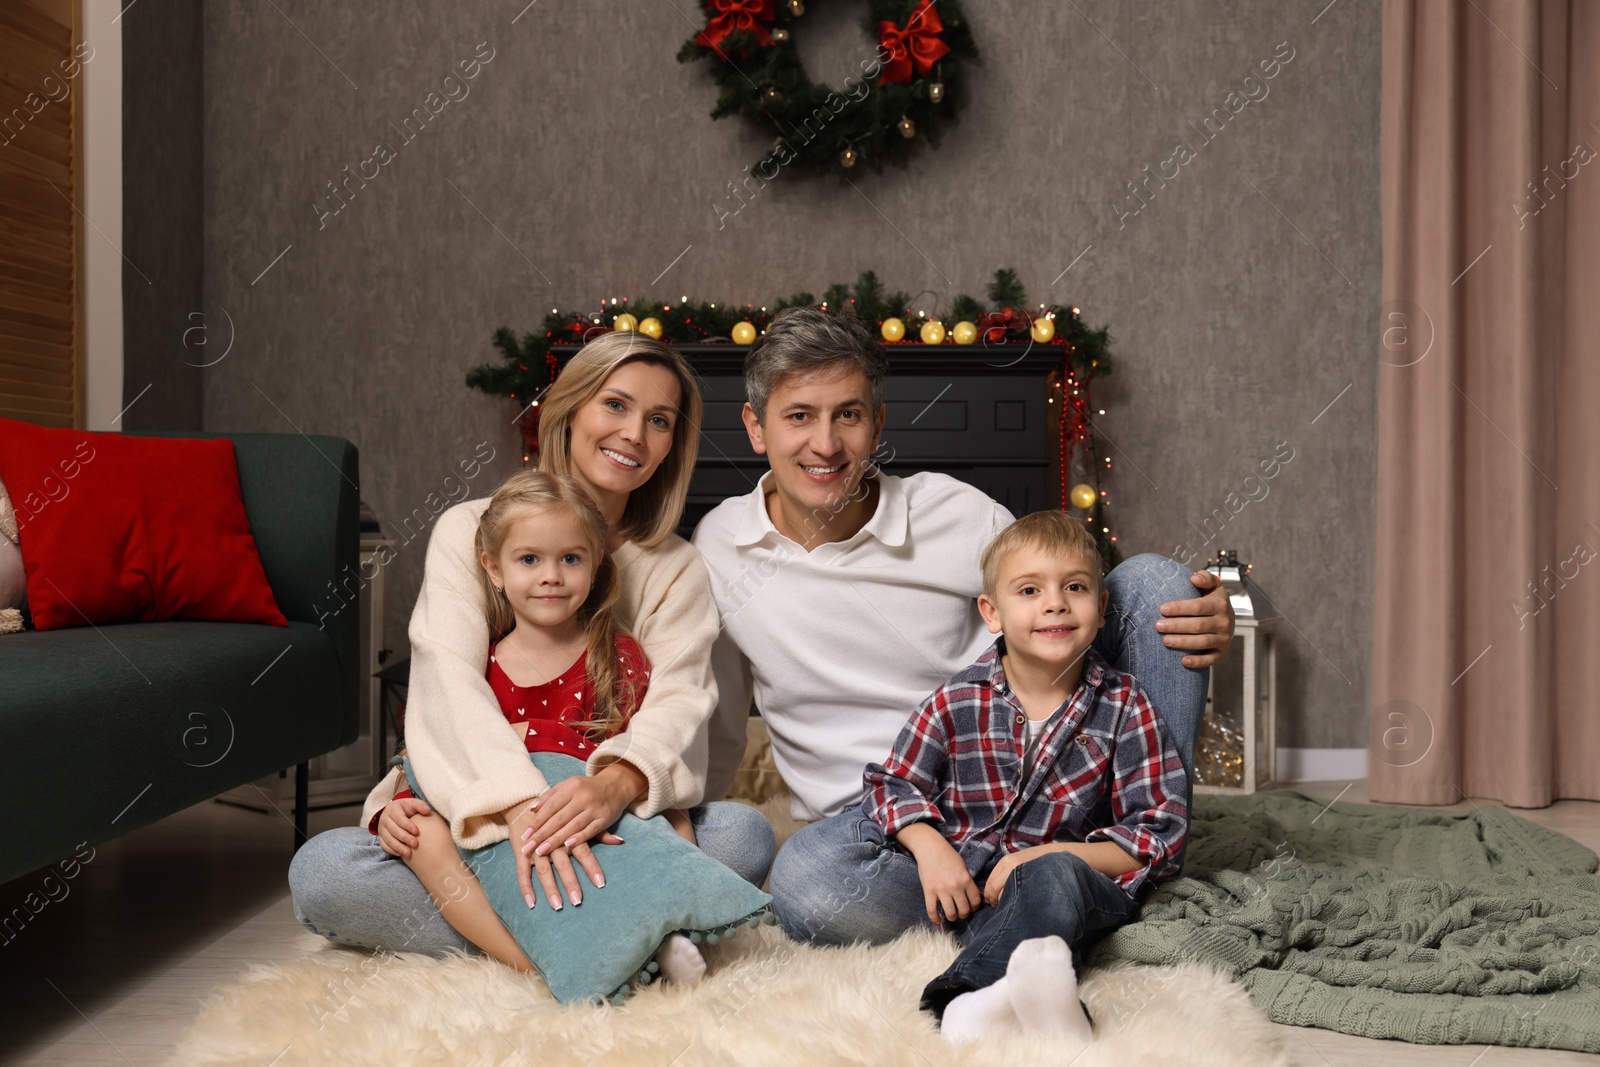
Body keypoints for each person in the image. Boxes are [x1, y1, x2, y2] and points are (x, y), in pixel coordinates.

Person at [688, 305, 1232, 944]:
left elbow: (1064, 595)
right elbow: (717, 715)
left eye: (849, 415)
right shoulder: (722, 545)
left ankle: (1134, 856)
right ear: (756, 427)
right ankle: (1054, 900)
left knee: (1153, 584)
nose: (826, 444)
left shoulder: (959, 515)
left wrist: (1199, 615)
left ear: (878, 422)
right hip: (882, 826)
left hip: (1018, 781)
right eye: (799, 416)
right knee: (804, 882)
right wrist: (693, 828)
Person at [289, 332, 775, 960]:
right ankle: (615, 934)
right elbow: (447, 682)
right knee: (325, 872)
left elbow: (679, 700)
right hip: (482, 809)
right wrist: (519, 811)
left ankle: (550, 934)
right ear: (568, 411)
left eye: (659, 421)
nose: (634, 434)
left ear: (671, 448)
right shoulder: (470, 530)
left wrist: (615, 786)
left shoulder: (675, 567)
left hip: (607, 817)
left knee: (742, 837)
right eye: (616, 405)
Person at [860, 509, 1187, 1045]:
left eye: (1075, 587)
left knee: (1050, 879)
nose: (1055, 602)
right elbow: (892, 782)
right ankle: (1038, 990)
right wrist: (931, 849)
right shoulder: (957, 698)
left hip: (1076, 880)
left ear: (1101, 608)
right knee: (823, 860)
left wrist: (1037, 859)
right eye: (1029, 590)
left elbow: (1159, 836)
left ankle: (967, 999)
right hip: (969, 884)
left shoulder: (1126, 704)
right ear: (992, 612)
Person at [376, 468, 707, 983]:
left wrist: (612, 798)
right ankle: (555, 964)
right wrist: (392, 807)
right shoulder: (476, 667)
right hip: (490, 831)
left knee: (685, 816)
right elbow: (431, 754)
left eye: (569, 559)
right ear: (493, 567)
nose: (550, 575)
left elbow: (641, 758)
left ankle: (658, 930)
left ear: (596, 565)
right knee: (393, 842)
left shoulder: (617, 661)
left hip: (589, 831)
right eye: (529, 559)